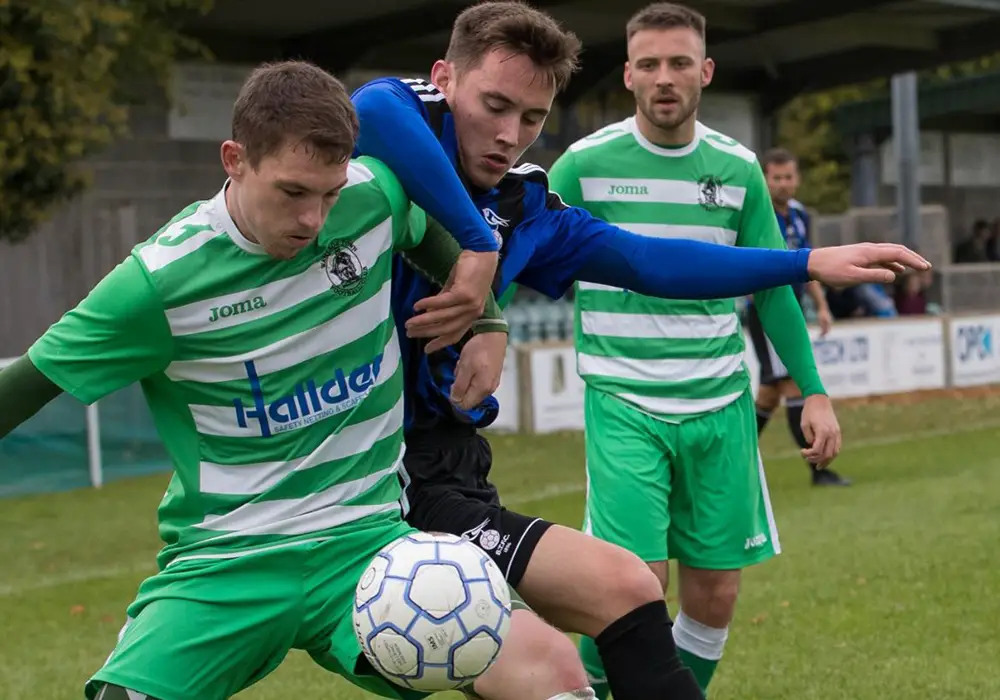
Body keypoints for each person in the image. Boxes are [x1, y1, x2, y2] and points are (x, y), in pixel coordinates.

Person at [350, 3, 929, 700]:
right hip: (369, 467)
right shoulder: (395, 142)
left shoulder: (528, 209)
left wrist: (806, 261)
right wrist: (476, 251)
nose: (509, 135)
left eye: (532, 119)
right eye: (494, 105)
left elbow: (654, 262)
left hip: (451, 465)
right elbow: (371, 106)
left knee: (620, 595)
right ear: (444, 79)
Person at [0, 60, 515, 700]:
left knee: (525, 659)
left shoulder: (373, 194)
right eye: (293, 193)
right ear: (234, 159)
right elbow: (24, 386)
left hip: (367, 540)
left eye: (329, 193)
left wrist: (489, 320)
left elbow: (429, 235)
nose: (315, 220)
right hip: (230, 558)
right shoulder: (156, 285)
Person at [543, 4, 843, 694]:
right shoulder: (584, 166)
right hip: (624, 403)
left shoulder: (737, 171)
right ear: (628, 76)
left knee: (714, 599)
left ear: (705, 72)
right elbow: (514, 245)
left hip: (720, 407)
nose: (664, 78)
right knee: (631, 594)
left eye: (680, 63)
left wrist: (815, 391)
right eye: (649, 64)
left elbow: (774, 286)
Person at [748, 147, 851, 487]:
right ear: (765, 179)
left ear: (798, 179)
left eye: (788, 177)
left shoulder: (800, 215)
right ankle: (818, 471)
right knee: (793, 386)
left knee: (768, 394)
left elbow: (810, 263)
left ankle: (730, 462)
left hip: (793, 311)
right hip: (768, 313)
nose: (782, 184)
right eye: (775, 178)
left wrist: (820, 305)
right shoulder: (757, 214)